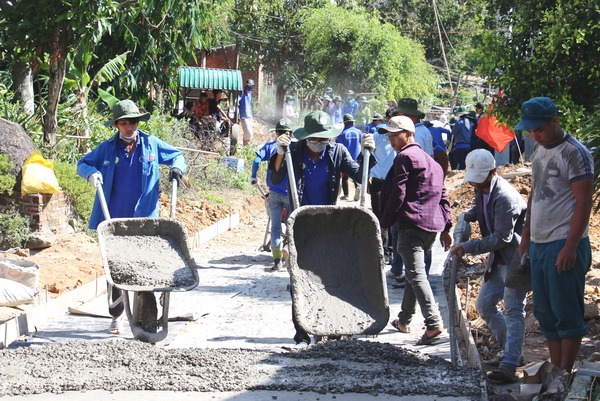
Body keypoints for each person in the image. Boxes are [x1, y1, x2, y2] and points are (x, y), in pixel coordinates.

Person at [77, 99, 187, 334]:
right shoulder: (107, 148)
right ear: (116, 124)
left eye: (133, 122)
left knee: (145, 264)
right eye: (124, 123)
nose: (129, 127)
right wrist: (91, 174)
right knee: (116, 268)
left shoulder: (150, 144)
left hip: (145, 219)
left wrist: (177, 168)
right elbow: (83, 163)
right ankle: (116, 315)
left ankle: (145, 308)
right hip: (115, 219)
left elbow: (176, 155)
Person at [269, 110, 375, 348]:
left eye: (323, 139)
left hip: (328, 223)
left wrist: (369, 154)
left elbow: (361, 175)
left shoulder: (337, 152)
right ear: (306, 137)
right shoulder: (294, 152)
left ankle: (331, 325)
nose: (319, 143)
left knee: (331, 276)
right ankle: (302, 332)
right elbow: (276, 179)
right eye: (315, 139)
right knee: (299, 278)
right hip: (300, 222)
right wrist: (279, 153)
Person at [517, 97, 594, 373]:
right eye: (530, 131)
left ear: (554, 122)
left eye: (539, 129)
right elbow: (535, 193)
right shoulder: (538, 151)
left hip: (563, 240)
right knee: (546, 312)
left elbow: (584, 202)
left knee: (566, 312)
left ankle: (564, 372)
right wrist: (526, 235)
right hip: (539, 242)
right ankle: (556, 370)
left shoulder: (575, 153)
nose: (535, 135)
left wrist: (571, 246)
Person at [450, 149, 528, 383]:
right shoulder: (481, 188)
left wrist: (469, 245)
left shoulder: (505, 197)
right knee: (484, 305)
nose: (475, 184)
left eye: (480, 179)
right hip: (498, 261)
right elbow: (482, 209)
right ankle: (512, 354)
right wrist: (467, 215)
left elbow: (502, 238)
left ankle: (510, 364)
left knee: (514, 311)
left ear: (493, 173)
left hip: (515, 260)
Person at [379, 116, 452, 345]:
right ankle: (404, 320)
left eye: (395, 135)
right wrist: (447, 227)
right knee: (413, 273)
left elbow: (397, 194)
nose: (391, 140)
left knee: (416, 274)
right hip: (431, 227)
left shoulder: (404, 157)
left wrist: (383, 222)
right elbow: (443, 195)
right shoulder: (432, 162)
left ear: (409, 134)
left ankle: (433, 323)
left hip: (410, 226)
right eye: (388, 136)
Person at [250, 119, 293, 271]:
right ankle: (288, 249)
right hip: (291, 194)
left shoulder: (270, 147)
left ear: (276, 133)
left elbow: (256, 159)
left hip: (274, 193)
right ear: (291, 133)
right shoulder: (295, 147)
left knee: (275, 227)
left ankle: (277, 262)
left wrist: (254, 176)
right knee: (291, 226)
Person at [336, 114, 363, 201]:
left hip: (345, 158)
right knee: (355, 174)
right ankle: (357, 187)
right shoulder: (358, 132)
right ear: (352, 122)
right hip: (356, 157)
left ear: (344, 123)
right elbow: (362, 144)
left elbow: (339, 146)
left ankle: (346, 195)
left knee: (345, 177)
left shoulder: (342, 133)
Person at [449, 106, 473, 170]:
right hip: (469, 146)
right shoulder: (471, 123)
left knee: (462, 165)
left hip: (460, 146)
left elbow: (453, 132)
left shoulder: (459, 123)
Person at [239, 79, 255, 146]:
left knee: (248, 134)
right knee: (248, 133)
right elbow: (237, 101)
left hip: (249, 116)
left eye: (252, 86)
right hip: (244, 116)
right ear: (246, 85)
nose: (251, 87)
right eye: (249, 85)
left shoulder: (250, 94)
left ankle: (245, 148)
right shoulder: (242, 93)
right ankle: (246, 148)